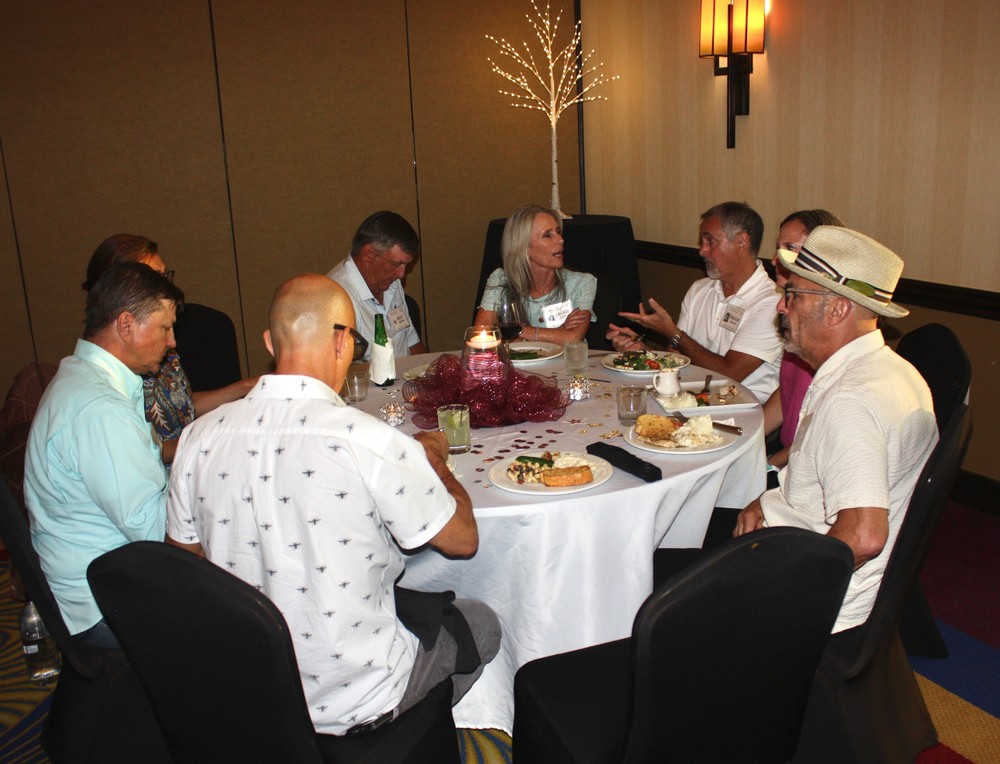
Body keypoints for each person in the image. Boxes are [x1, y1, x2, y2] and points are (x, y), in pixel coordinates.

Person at [166, 274, 500, 737]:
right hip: (355, 698)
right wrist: (435, 463)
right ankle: (403, 735)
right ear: (343, 342)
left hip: (250, 686)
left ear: (269, 342)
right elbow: (463, 540)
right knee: (481, 624)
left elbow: (183, 568)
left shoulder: (197, 438)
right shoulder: (369, 441)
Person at [657, 226, 938, 634]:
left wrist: (783, 587)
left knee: (651, 575)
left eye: (793, 295)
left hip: (813, 604)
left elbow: (864, 536)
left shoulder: (850, 400)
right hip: (800, 550)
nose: (781, 306)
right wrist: (767, 500)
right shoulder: (893, 371)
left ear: (837, 310)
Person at [25, 262, 185, 648]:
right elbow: (155, 533)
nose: (172, 342)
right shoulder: (99, 409)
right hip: (102, 607)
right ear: (126, 325)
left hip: (92, 582)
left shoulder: (80, 376)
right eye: (164, 328)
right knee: (250, 606)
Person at [84, 234, 257, 463]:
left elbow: (183, 406)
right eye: (153, 277)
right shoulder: (115, 376)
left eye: (164, 275)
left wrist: (248, 386)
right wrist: (210, 437)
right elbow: (147, 452)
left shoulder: (159, 345)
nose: (165, 285)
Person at [607, 201, 781, 402]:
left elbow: (730, 373)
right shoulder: (700, 289)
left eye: (710, 241)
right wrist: (641, 350)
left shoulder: (771, 303)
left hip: (746, 408)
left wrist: (672, 332)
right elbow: (675, 362)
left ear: (741, 241)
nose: (702, 250)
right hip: (692, 400)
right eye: (702, 241)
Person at [761, 210, 845, 479]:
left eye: (790, 248)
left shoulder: (825, 324)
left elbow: (818, 431)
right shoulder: (793, 310)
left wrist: (770, 466)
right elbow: (788, 392)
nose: (776, 259)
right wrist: (744, 437)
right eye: (778, 247)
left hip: (808, 465)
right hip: (786, 448)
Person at [474, 204, 596, 345]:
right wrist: (558, 332)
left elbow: (573, 338)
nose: (561, 240)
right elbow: (481, 335)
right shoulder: (501, 279)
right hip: (515, 360)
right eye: (548, 235)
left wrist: (518, 330)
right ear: (523, 246)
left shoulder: (582, 283)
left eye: (558, 232)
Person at [326, 211, 427, 360]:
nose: (401, 274)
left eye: (405, 265)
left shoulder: (391, 282)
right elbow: (339, 368)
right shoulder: (336, 297)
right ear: (369, 254)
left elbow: (411, 342)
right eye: (396, 264)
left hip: (404, 373)